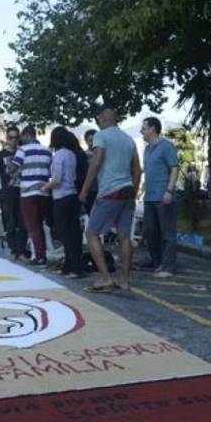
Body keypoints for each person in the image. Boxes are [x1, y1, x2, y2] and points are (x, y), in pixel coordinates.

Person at [79, 107, 140, 292]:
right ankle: (125, 280)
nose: (98, 122)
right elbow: (137, 170)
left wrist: (84, 191)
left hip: (109, 192)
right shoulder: (129, 140)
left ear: (104, 119)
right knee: (124, 236)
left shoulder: (101, 136)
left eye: (99, 119)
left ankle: (105, 278)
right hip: (128, 191)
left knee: (92, 233)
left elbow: (96, 162)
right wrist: (134, 194)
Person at [139, 116, 180, 278]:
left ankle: (168, 266)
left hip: (163, 196)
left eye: (144, 128)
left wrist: (169, 191)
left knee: (167, 233)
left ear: (153, 129)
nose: (142, 131)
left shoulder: (166, 147)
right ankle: (157, 261)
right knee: (150, 231)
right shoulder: (147, 150)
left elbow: (174, 169)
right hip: (149, 196)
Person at [44, 126, 86, 278]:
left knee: (64, 234)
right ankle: (72, 266)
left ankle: (73, 268)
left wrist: (44, 187)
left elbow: (57, 179)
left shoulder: (59, 155)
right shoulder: (71, 154)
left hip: (61, 197)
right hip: (73, 195)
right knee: (73, 232)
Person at [10, 125, 52, 266]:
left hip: (28, 192)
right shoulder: (46, 151)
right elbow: (51, 172)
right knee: (40, 224)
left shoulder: (23, 150)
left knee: (33, 226)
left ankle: (40, 256)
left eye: (22, 136)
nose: (21, 139)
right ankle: (42, 253)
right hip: (44, 191)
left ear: (28, 135)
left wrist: (9, 165)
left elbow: (13, 168)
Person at [0, 126, 27, 260]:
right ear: (6, 139)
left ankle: (22, 250)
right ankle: (13, 249)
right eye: (11, 138)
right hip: (6, 193)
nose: (14, 141)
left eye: (16, 138)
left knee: (22, 222)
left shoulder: (23, 153)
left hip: (22, 191)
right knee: (9, 222)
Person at [83, 129, 99, 214]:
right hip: (90, 189)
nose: (92, 143)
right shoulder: (84, 155)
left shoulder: (103, 154)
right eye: (90, 140)